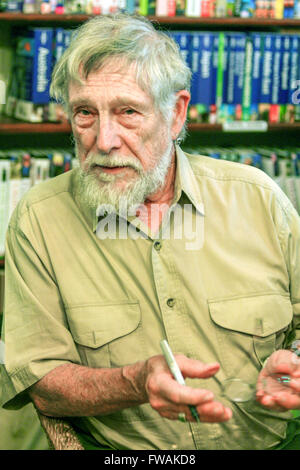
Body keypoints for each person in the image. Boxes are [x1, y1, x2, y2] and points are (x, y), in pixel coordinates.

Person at [1, 13, 300, 451]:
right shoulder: (38, 219)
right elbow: (41, 380)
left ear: (176, 114)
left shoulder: (258, 198)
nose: (104, 140)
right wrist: (136, 382)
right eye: (85, 112)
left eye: (127, 112)